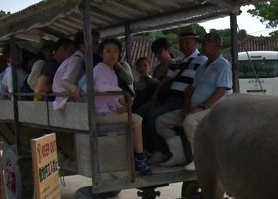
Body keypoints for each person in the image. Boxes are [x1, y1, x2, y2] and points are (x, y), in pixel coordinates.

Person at [155, 32, 232, 171]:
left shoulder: (223, 65)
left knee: (190, 122)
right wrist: (185, 108)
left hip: (215, 109)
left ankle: (199, 160)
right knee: (161, 121)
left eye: (205, 43)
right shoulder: (203, 67)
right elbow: (191, 90)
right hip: (195, 107)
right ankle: (178, 155)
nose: (202, 46)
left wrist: (202, 106)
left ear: (216, 45)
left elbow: (221, 91)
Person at [141, 26, 207, 163]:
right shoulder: (178, 61)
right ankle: (151, 149)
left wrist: (186, 105)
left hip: (182, 99)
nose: (184, 44)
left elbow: (195, 86)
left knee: (152, 115)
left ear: (195, 42)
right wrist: (153, 98)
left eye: (187, 41)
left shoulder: (202, 60)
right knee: (142, 113)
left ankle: (163, 152)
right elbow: (163, 82)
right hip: (170, 98)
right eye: (181, 41)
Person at [93, 38, 151, 175]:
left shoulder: (112, 71)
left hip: (108, 111)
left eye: (115, 51)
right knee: (137, 120)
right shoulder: (100, 68)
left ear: (119, 54)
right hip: (100, 113)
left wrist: (121, 106)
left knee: (131, 119)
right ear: (102, 54)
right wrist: (121, 95)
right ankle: (140, 158)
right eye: (108, 51)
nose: (112, 54)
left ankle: (130, 157)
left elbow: (111, 96)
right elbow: (101, 88)